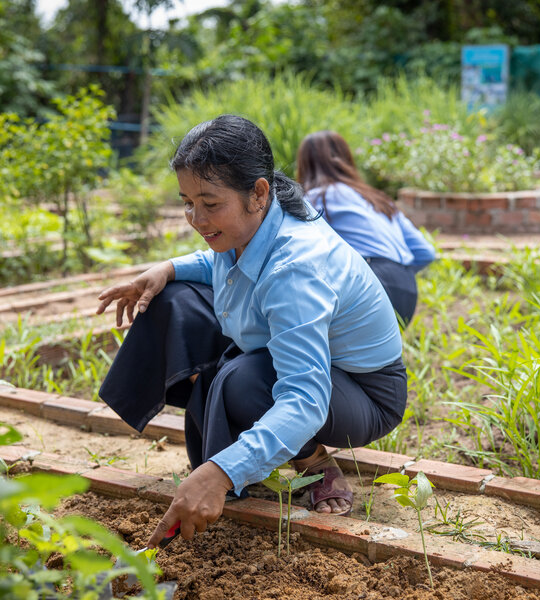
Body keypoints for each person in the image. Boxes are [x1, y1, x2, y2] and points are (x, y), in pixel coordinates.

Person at [95, 115, 407, 548]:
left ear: (258, 193)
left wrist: (221, 473)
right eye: (187, 202)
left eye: (210, 203)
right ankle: (247, 433)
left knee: (242, 381)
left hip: (363, 392)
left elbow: (305, 398)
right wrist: (165, 269)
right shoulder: (249, 226)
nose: (196, 219)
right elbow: (215, 263)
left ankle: (313, 461)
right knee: (172, 297)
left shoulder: (296, 267)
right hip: (306, 365)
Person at [296, 130, 437, 324]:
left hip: (369, 283)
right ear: (346, 159)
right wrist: (394, 274)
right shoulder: (378, 198)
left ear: (305, 165)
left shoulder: (314, 199)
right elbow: (426, 252)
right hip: (406, 290)